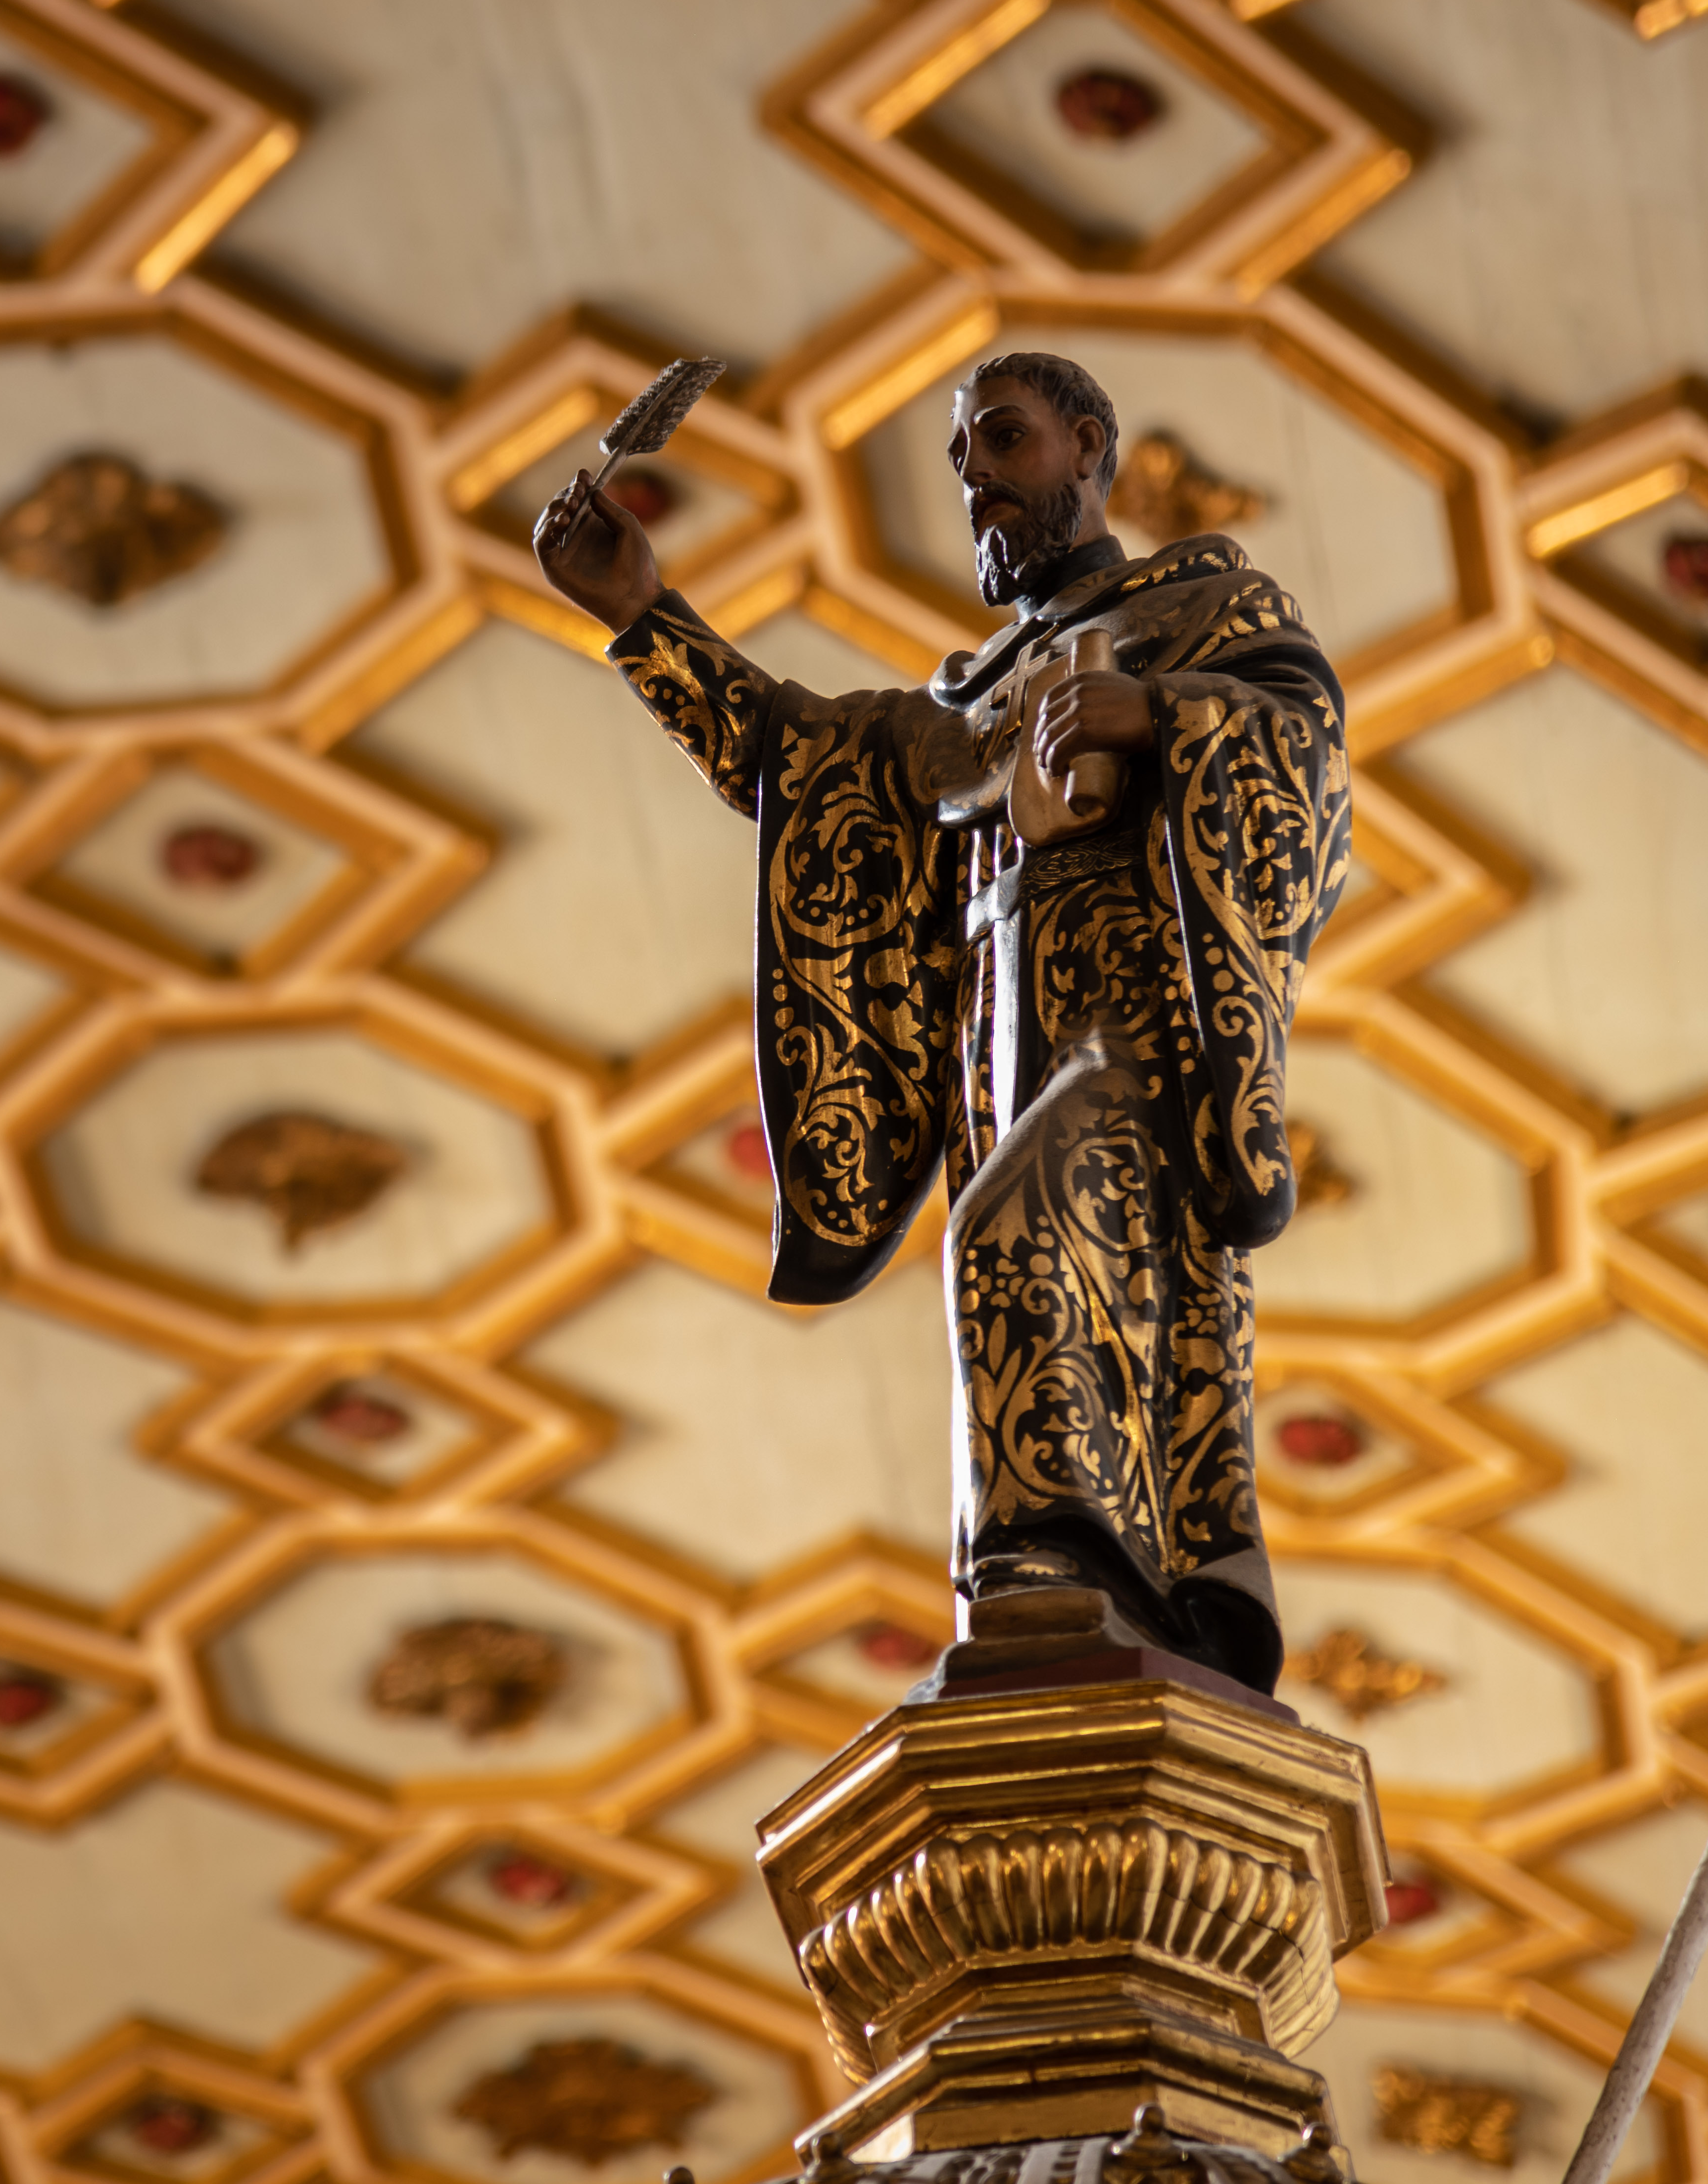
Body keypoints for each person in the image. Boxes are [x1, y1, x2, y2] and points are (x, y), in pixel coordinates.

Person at [532, 353, 1350, 1693]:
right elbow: (792, 758)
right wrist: (643, 617)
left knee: (1023, 1222)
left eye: (1002, 440)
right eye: (963, 455)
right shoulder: (968, 702)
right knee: (1011, 1264)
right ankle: (1065, 1571)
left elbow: (1304, 761)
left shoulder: (1207, 603)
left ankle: (1054, 1558)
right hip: (996, 1027)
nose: (972, 476)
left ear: (1090, 444)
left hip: (1139, 1004)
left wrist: (1164, 714)